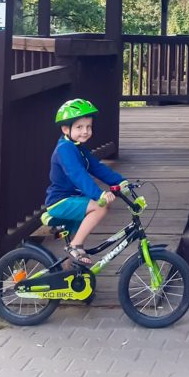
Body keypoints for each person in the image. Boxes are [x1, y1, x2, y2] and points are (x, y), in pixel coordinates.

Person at [42, 98, 125, 267]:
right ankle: (75, 245)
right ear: (66, 129)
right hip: (60, 201)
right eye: (79, 127)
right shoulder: (65, 149)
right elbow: (77, 175)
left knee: (93, 212)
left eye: (89, 127)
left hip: (72, 198)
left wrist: (121, 182)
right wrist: (99, 194)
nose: (85, 131)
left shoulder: (78, 147)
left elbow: (96, 167)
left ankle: (68, 270)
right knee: (100, 206)